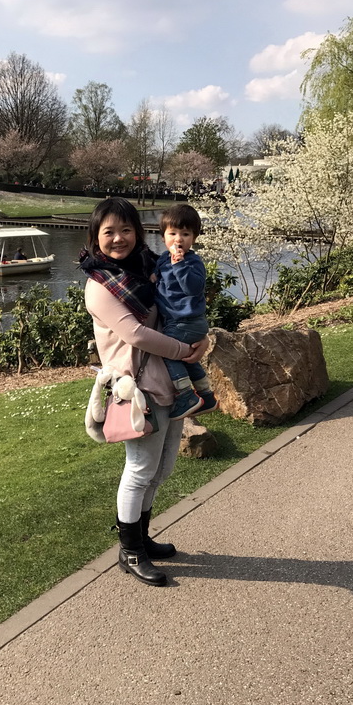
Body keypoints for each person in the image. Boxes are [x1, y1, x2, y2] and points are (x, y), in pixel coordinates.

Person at [79, 197, 206, 587]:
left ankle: (142, 536)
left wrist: (200, 334)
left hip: (169, 380)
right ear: (96, 237)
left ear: (138, 231)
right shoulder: (99, 286)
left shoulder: (152, 269)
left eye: (126, 230)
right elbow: (135, 333)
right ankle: (129, 549)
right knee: (139, 470)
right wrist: (185, 350)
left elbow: (183, 305)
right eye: (109, 232)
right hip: (136, 387)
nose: (119, 239)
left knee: (162, 469)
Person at [155, 203, 220, 420]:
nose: (178, 239)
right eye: (172, 233)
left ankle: (185, 395)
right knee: (187, 360)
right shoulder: (163, 259)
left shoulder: (192, 262)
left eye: (185, 234)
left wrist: (180, 265)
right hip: (178, 321)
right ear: (164, 236)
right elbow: (157, 278)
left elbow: (193, 289)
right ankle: (206, 395)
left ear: (194, 238)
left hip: (187, 321)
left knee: (167, 352)